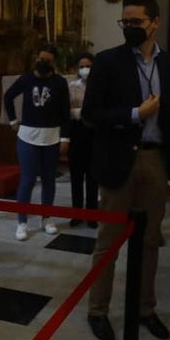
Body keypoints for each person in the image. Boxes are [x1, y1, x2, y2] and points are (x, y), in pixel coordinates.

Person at [82, 0, 170, 340]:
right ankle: (98, 311)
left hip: (155, 159)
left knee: (150, 242)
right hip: (118, 159)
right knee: (108, 243)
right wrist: (133, 115)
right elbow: (91, 115)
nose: (129, 28)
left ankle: (145, 309)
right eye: (124, 22)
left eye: (136, 22)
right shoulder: (108, 62)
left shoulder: (168, 64)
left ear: (154, 23)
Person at [3, 44, 70, 240]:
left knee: (49, 178)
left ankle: (46, 218)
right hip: (28, 136)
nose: (43, 63)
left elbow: (65, 112)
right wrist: (14, 120)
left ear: (53, 63)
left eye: (48, 60)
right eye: (41, 59)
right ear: (36, 59)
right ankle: (22, 221)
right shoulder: (26, 79)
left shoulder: (59, 82)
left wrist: (65, 138)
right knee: (28, 178)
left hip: (51, 136)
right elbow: (8, 97)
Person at [66, 52, 98, 228]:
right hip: (77, 133)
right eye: (82, 66)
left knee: (92, 178)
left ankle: (92, 215)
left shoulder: (99, 86)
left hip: (94, 134)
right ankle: (77, 214)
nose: (85, 69)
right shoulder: (73, 86)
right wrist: (81, 112)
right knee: (76, 177)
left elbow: (99, 110)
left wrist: (82, 111)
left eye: (89, 66)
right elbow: (69, 110)